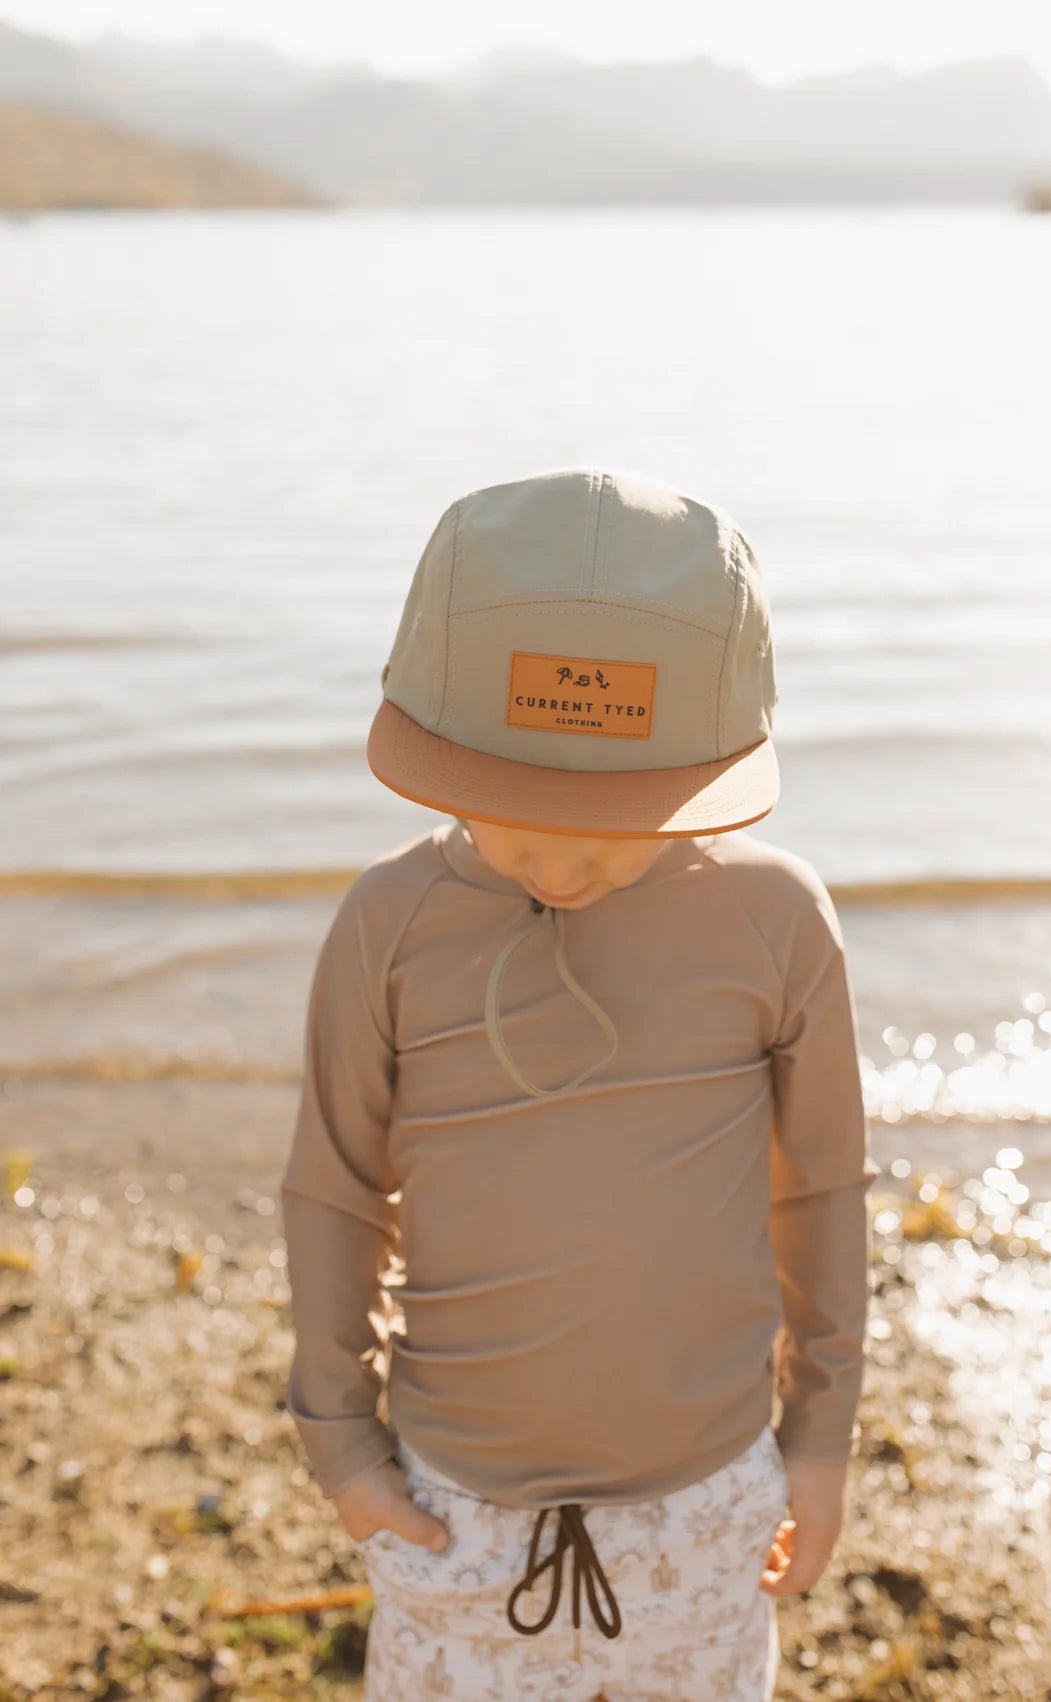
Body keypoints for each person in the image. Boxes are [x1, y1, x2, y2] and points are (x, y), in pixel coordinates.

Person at [280, 466, 880, 1702]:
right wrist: (340, 1442)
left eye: (607, 820)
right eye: (512, 813)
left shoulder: (775, 920)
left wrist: (819, 1441)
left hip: (709, 1499)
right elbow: (336, 1191)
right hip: (453, 1500)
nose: (556, 859)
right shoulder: (390, 921)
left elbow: (820, 1192)